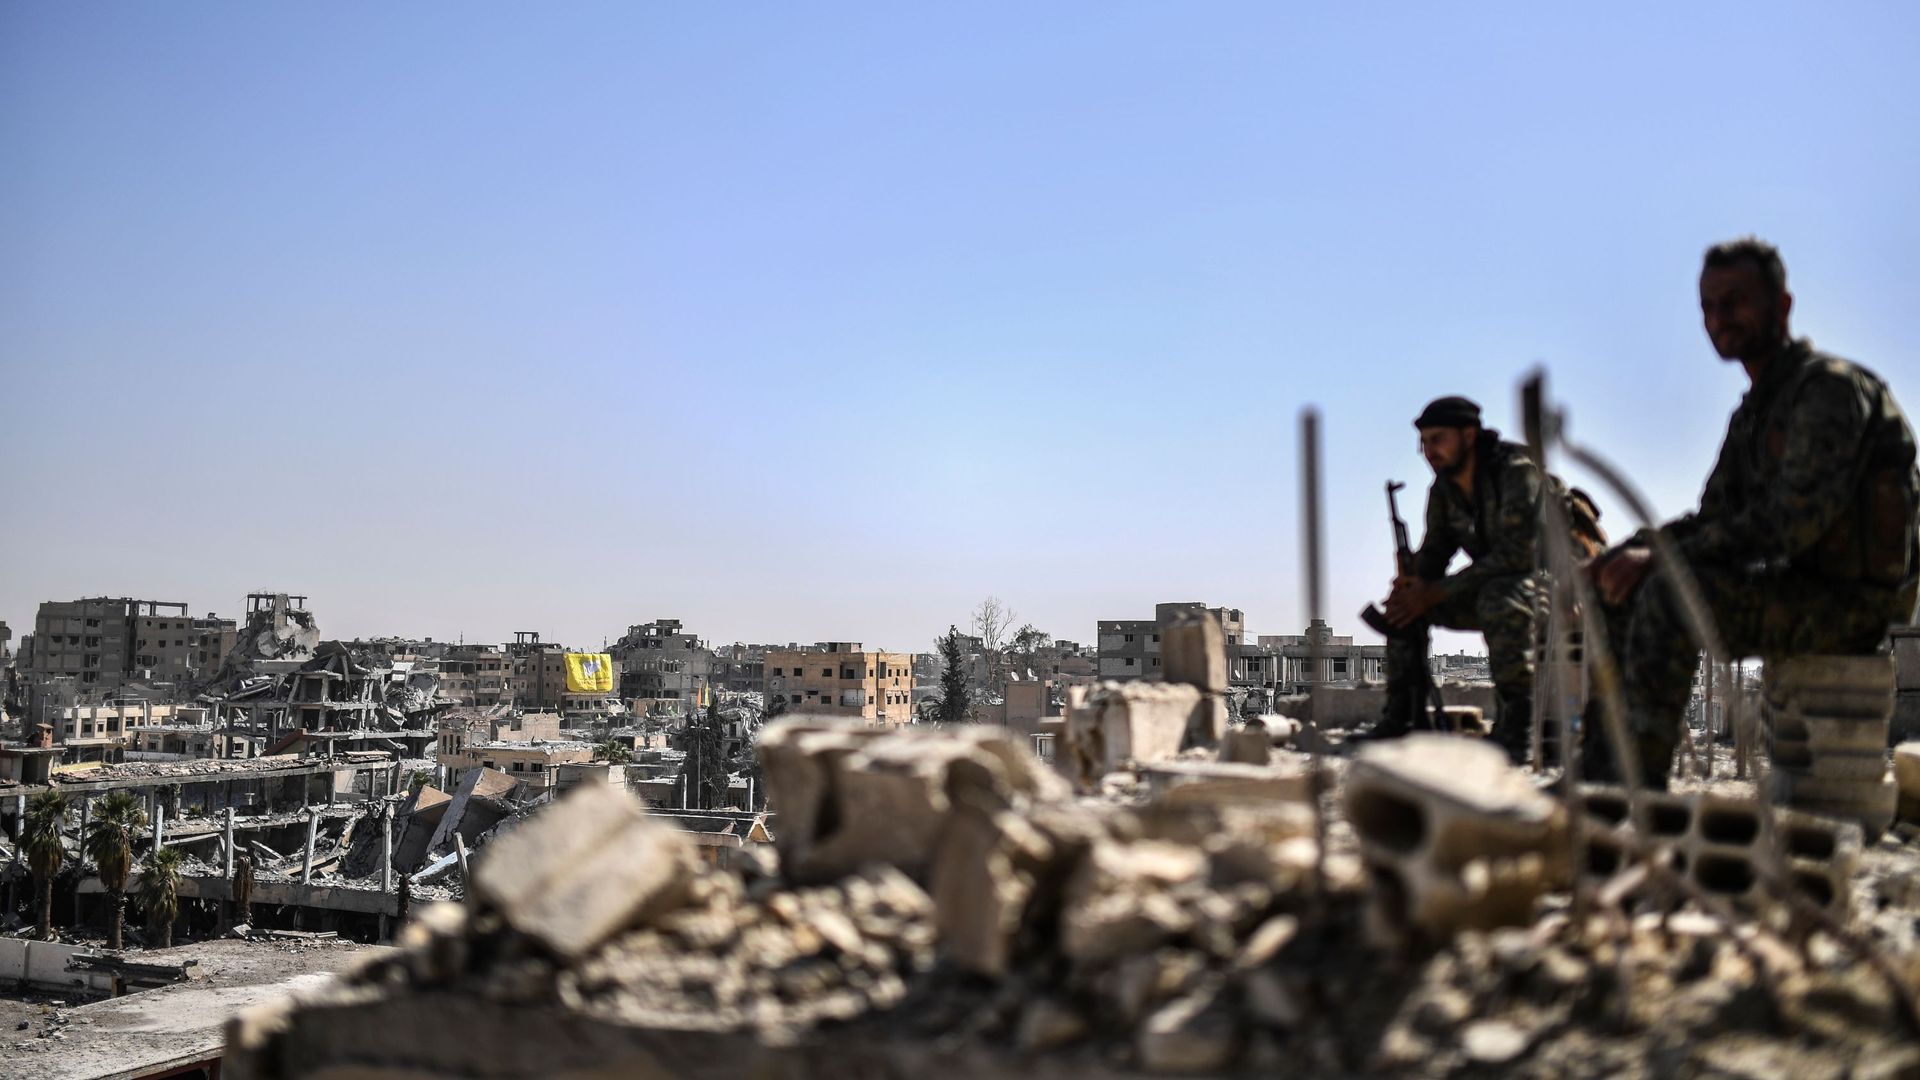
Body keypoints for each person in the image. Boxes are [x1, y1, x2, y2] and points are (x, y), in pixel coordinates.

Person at [1583, 238, 1920, 787]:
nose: (1719, 319)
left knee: (1669, 592)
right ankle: (1600, 772)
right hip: (1793, 592)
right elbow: (1712, 520)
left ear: (1781, 306)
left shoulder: (1828, 391)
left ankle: (1634, 783)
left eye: (1735, 302)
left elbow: (1790, 525)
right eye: (1708, 307)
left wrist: (1660, 561)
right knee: (1620, 581)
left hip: (1850, 606)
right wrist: (1628, 554)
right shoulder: (1757, 413)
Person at [1368, 396, 1550, 762]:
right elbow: (1436, 552)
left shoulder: (1516, 471)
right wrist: (1412, 585)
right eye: (1424, 443)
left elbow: (1519, 555)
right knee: (1406, 609)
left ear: (1468, 436)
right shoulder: (1444, 490)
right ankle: (1403, 718)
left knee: (1500, 598)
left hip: (1553, 583)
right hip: (1491, 585)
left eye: (1438, 439)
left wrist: (1437, 591)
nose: (1429, 451)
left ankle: (1519, 730)